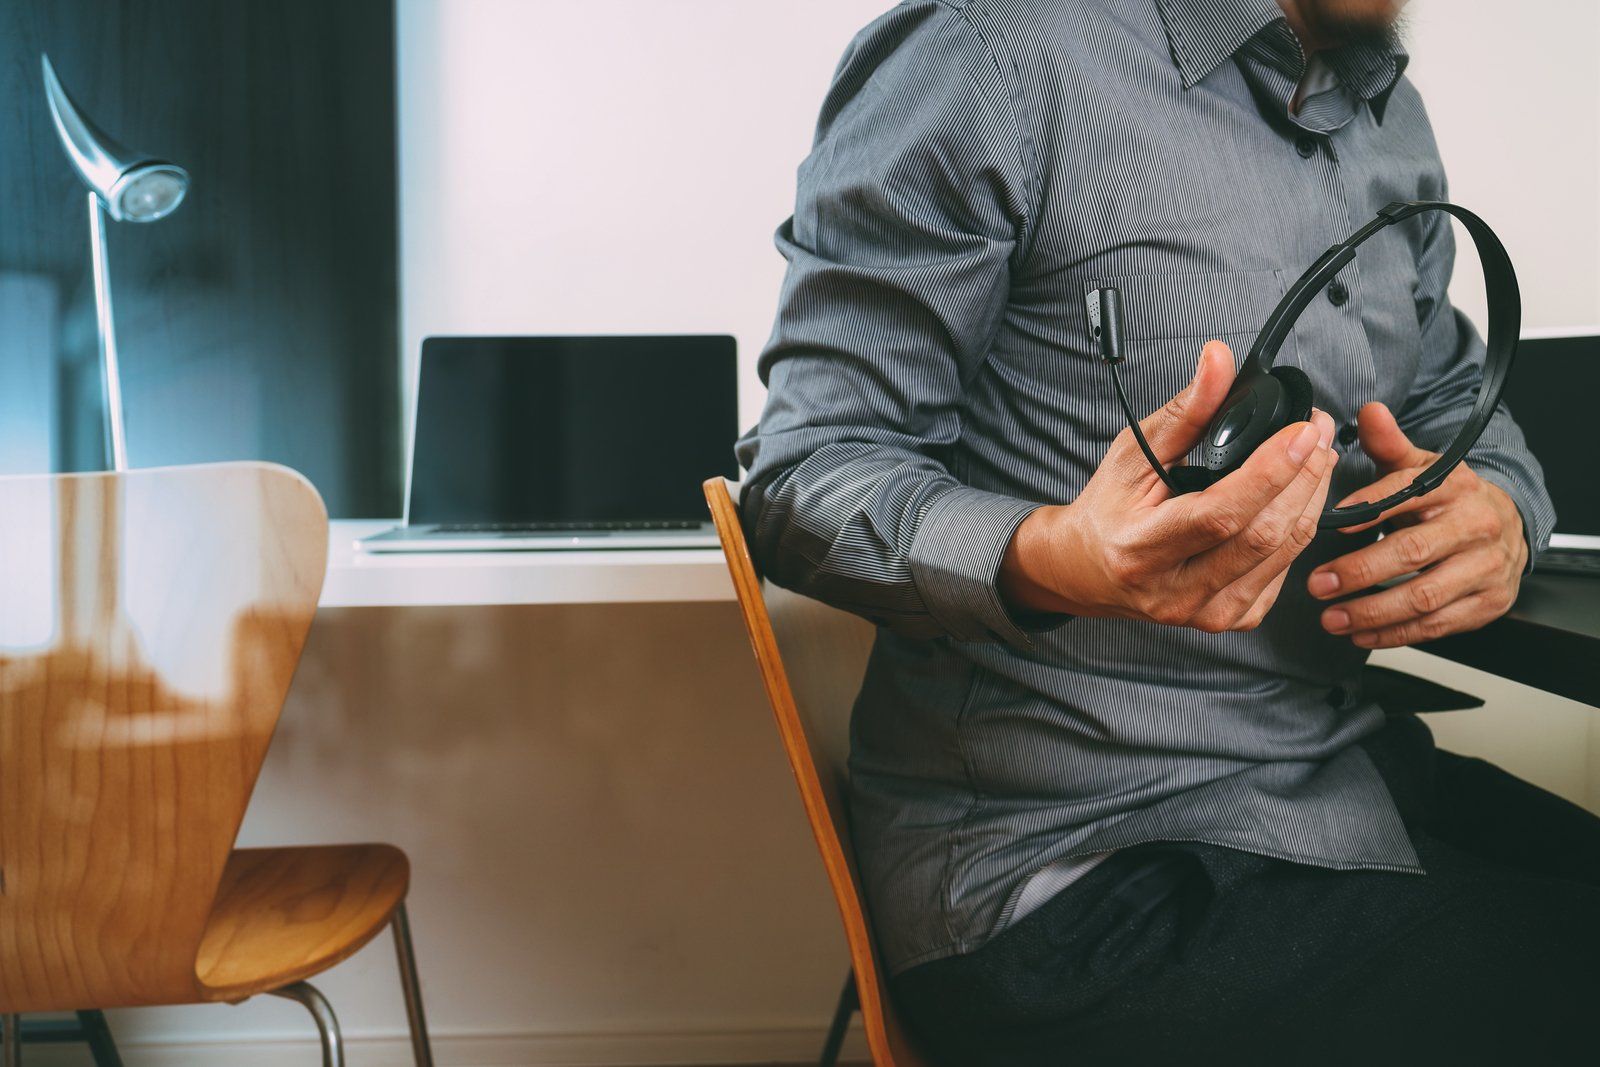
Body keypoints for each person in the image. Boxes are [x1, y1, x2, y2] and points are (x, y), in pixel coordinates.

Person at [735, 0, 1600, 1061]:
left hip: (1348, 778)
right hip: (1077, 873)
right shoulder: (984, 53)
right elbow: (803, 471)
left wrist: (1504, 506)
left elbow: (1457, 402)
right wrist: (1057, 557)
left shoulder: (1390, 114)